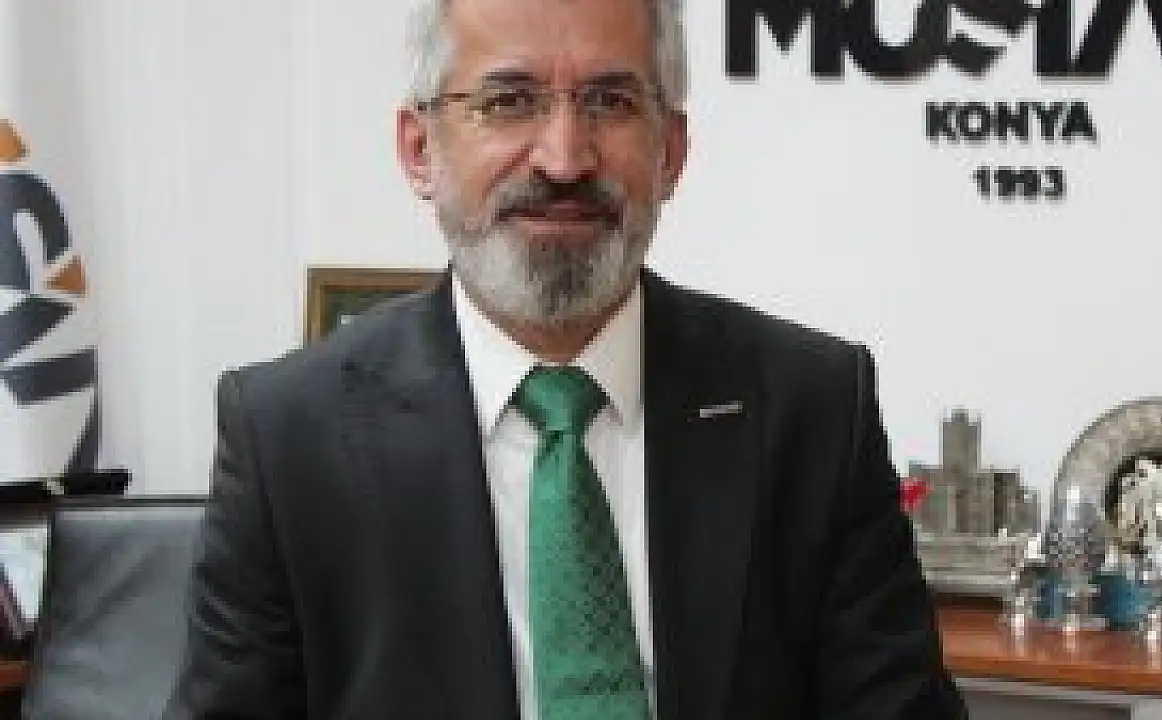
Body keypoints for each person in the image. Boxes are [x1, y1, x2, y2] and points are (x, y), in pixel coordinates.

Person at [167, 0, 967, 717]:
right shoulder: (288, 441)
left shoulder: (813, 409)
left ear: (671, 150)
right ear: (419, 150)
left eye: (610, 102)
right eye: (508, 101)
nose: (563, 159)